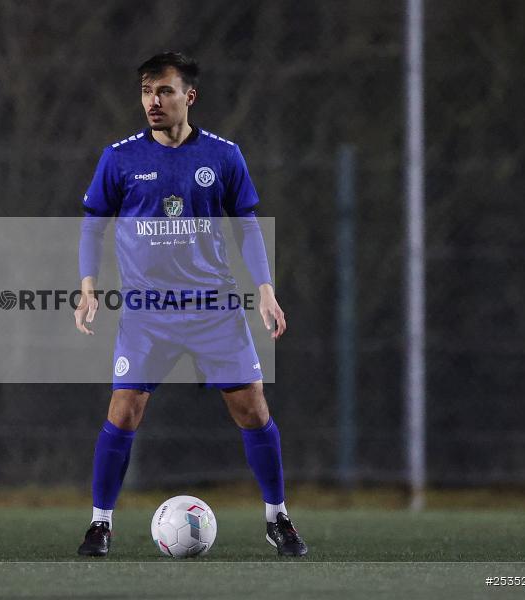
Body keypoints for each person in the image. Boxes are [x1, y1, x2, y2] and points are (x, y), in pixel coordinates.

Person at [73, 52, 307, 557]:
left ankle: (277, 517)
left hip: (214, 310)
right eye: (146, 92)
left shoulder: (223, 155)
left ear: (189, 96)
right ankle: (100, 524)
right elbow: (93, 222)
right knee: (124, 411)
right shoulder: (120, 158)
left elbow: (247, 224)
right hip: (147, 314)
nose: (153, 102)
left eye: (164, 91)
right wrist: (87, 284)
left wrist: (265, 288)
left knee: (252, 410)